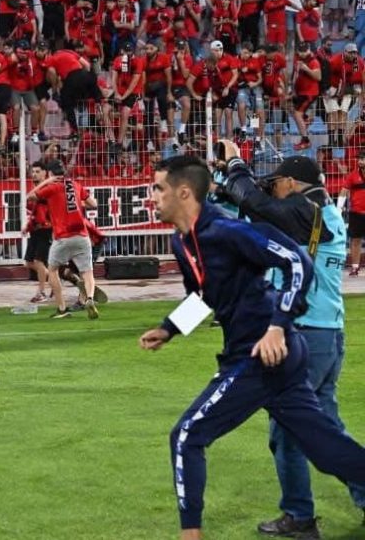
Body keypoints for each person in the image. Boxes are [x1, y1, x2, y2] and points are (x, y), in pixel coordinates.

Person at [140, 155, 365, 540]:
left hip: (262, 354)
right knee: (325, 447)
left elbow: (297, 262)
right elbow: (205, 296)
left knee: (187, 435)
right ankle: (299, 516)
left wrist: (277, 325)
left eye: (158, 188)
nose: (152, 196)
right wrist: (170, 328)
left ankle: (190, 534)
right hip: (270, 355)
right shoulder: (182, 242)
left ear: (184, 192)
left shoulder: (226, 231)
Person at [217, 145, 365, 536]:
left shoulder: (307, 211)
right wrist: (223, 184)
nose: (274, 189)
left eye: (278, 182)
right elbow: (254, 213)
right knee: (327, 427)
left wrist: (236, 165)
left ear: (293, 183)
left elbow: (259, 206)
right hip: (327, 335)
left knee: (286, 432)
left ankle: (299, 516)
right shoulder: (321, 214)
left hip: (305, 335)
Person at [28, 159, 100, 319]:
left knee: (52, 270)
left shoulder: (52, 187)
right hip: (82, 235)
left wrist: (46, 182)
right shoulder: (76, 185)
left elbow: (30, 196)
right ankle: (89, 298)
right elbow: (93, 203)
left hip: (62, 237)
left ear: (50, 173)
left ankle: (61, 308)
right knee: (87, 272)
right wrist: (77, 204)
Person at [24, 160, 53, 303]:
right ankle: (54, 280)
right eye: (33, 172)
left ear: (45, 173)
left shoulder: (48, 189)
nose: (34, 174)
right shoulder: (35, 188)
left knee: (39, 261)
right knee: (29, 262)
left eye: (37, 172)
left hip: (46, 229)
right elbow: (34, 211)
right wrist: (28, 226)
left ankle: (41, 292)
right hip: (35, 229)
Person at [341, 149, 365, 275]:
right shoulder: (352, 175)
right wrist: (339, 208)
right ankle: (355, 267)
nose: (360, 161)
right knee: (355, 240)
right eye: (359, 158)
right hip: (356, 213)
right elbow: (344, 191)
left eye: (363, 158)